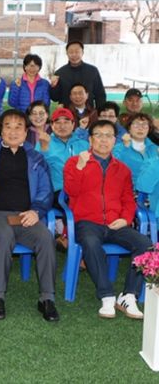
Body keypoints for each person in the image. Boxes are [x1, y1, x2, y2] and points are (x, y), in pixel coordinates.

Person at [0, 109, 58, 322]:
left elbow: (46, 190)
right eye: (8, 126)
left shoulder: (36, 157)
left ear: (26, 133)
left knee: (46, 237)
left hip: (25, 216)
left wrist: (36, 211)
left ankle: (47, 298)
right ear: (1, 130)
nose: (13, 131)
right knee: (4, 235)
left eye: (19, 127)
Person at [64, 120, 152, 319]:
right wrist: (80, 167)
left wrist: (125, 219)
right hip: (87, 222)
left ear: (115, 140)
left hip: (116, 223)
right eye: (99, 135)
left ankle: (129, 295)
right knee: (91, 243)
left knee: (146, 245)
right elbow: (71, 191)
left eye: (108, 136)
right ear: (90, 139)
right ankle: (106, 295)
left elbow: (128, 200)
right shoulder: (75, 162)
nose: (103, 140)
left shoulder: (123, 169)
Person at [50, 41, 106, 109]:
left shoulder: (92, 71)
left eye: (77, 52)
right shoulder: (60, 73)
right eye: (71, 52)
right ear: (67, 53)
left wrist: (99, 112)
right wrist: (53, 86)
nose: (74, 55)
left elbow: (100, 95)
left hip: (88, 113)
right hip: (67, 113)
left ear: (82, 53)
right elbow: (55, 98)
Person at [113, 112, 159, 184]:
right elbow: (115, 168)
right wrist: (125, 148)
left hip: (151, 189)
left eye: (144, 125)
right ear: (129, 128)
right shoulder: (119, 148)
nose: (140, 128)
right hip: (127, 187)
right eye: (136, 125)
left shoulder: (155, 149)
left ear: (149, 129)